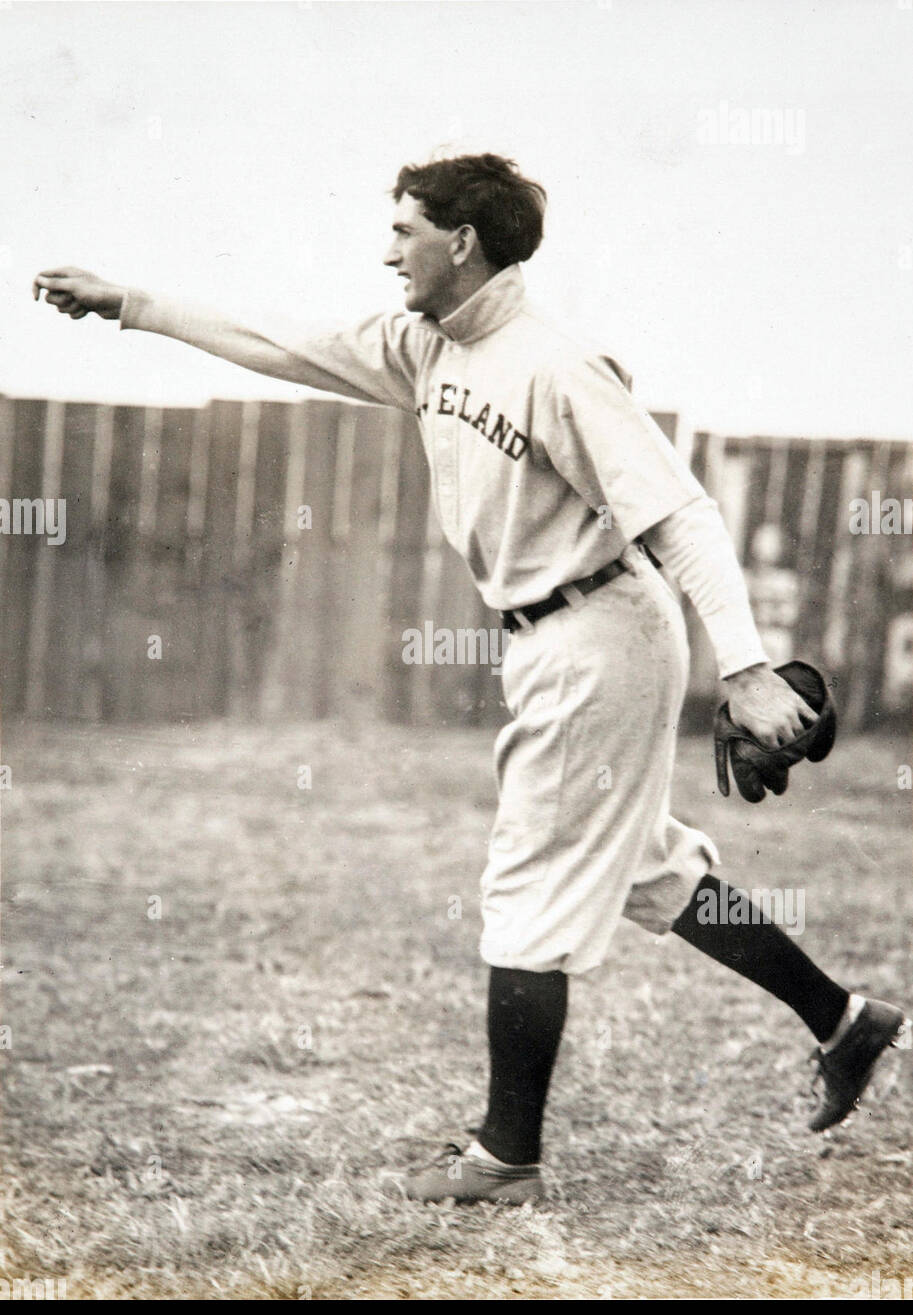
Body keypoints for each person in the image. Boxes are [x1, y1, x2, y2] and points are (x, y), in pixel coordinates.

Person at [33, 153, 907, 1205]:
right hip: (557, 636)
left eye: (404, 229)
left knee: (528, 884)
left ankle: (506, 1155)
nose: (387, 248)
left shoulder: (554, 365)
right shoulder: (423, 348)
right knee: (639, 867)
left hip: (600, 629)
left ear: (463, 241)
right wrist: (131, 303)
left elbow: (680, 513)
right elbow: (282, 344)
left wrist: (749, 665)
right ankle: (843, 1020)